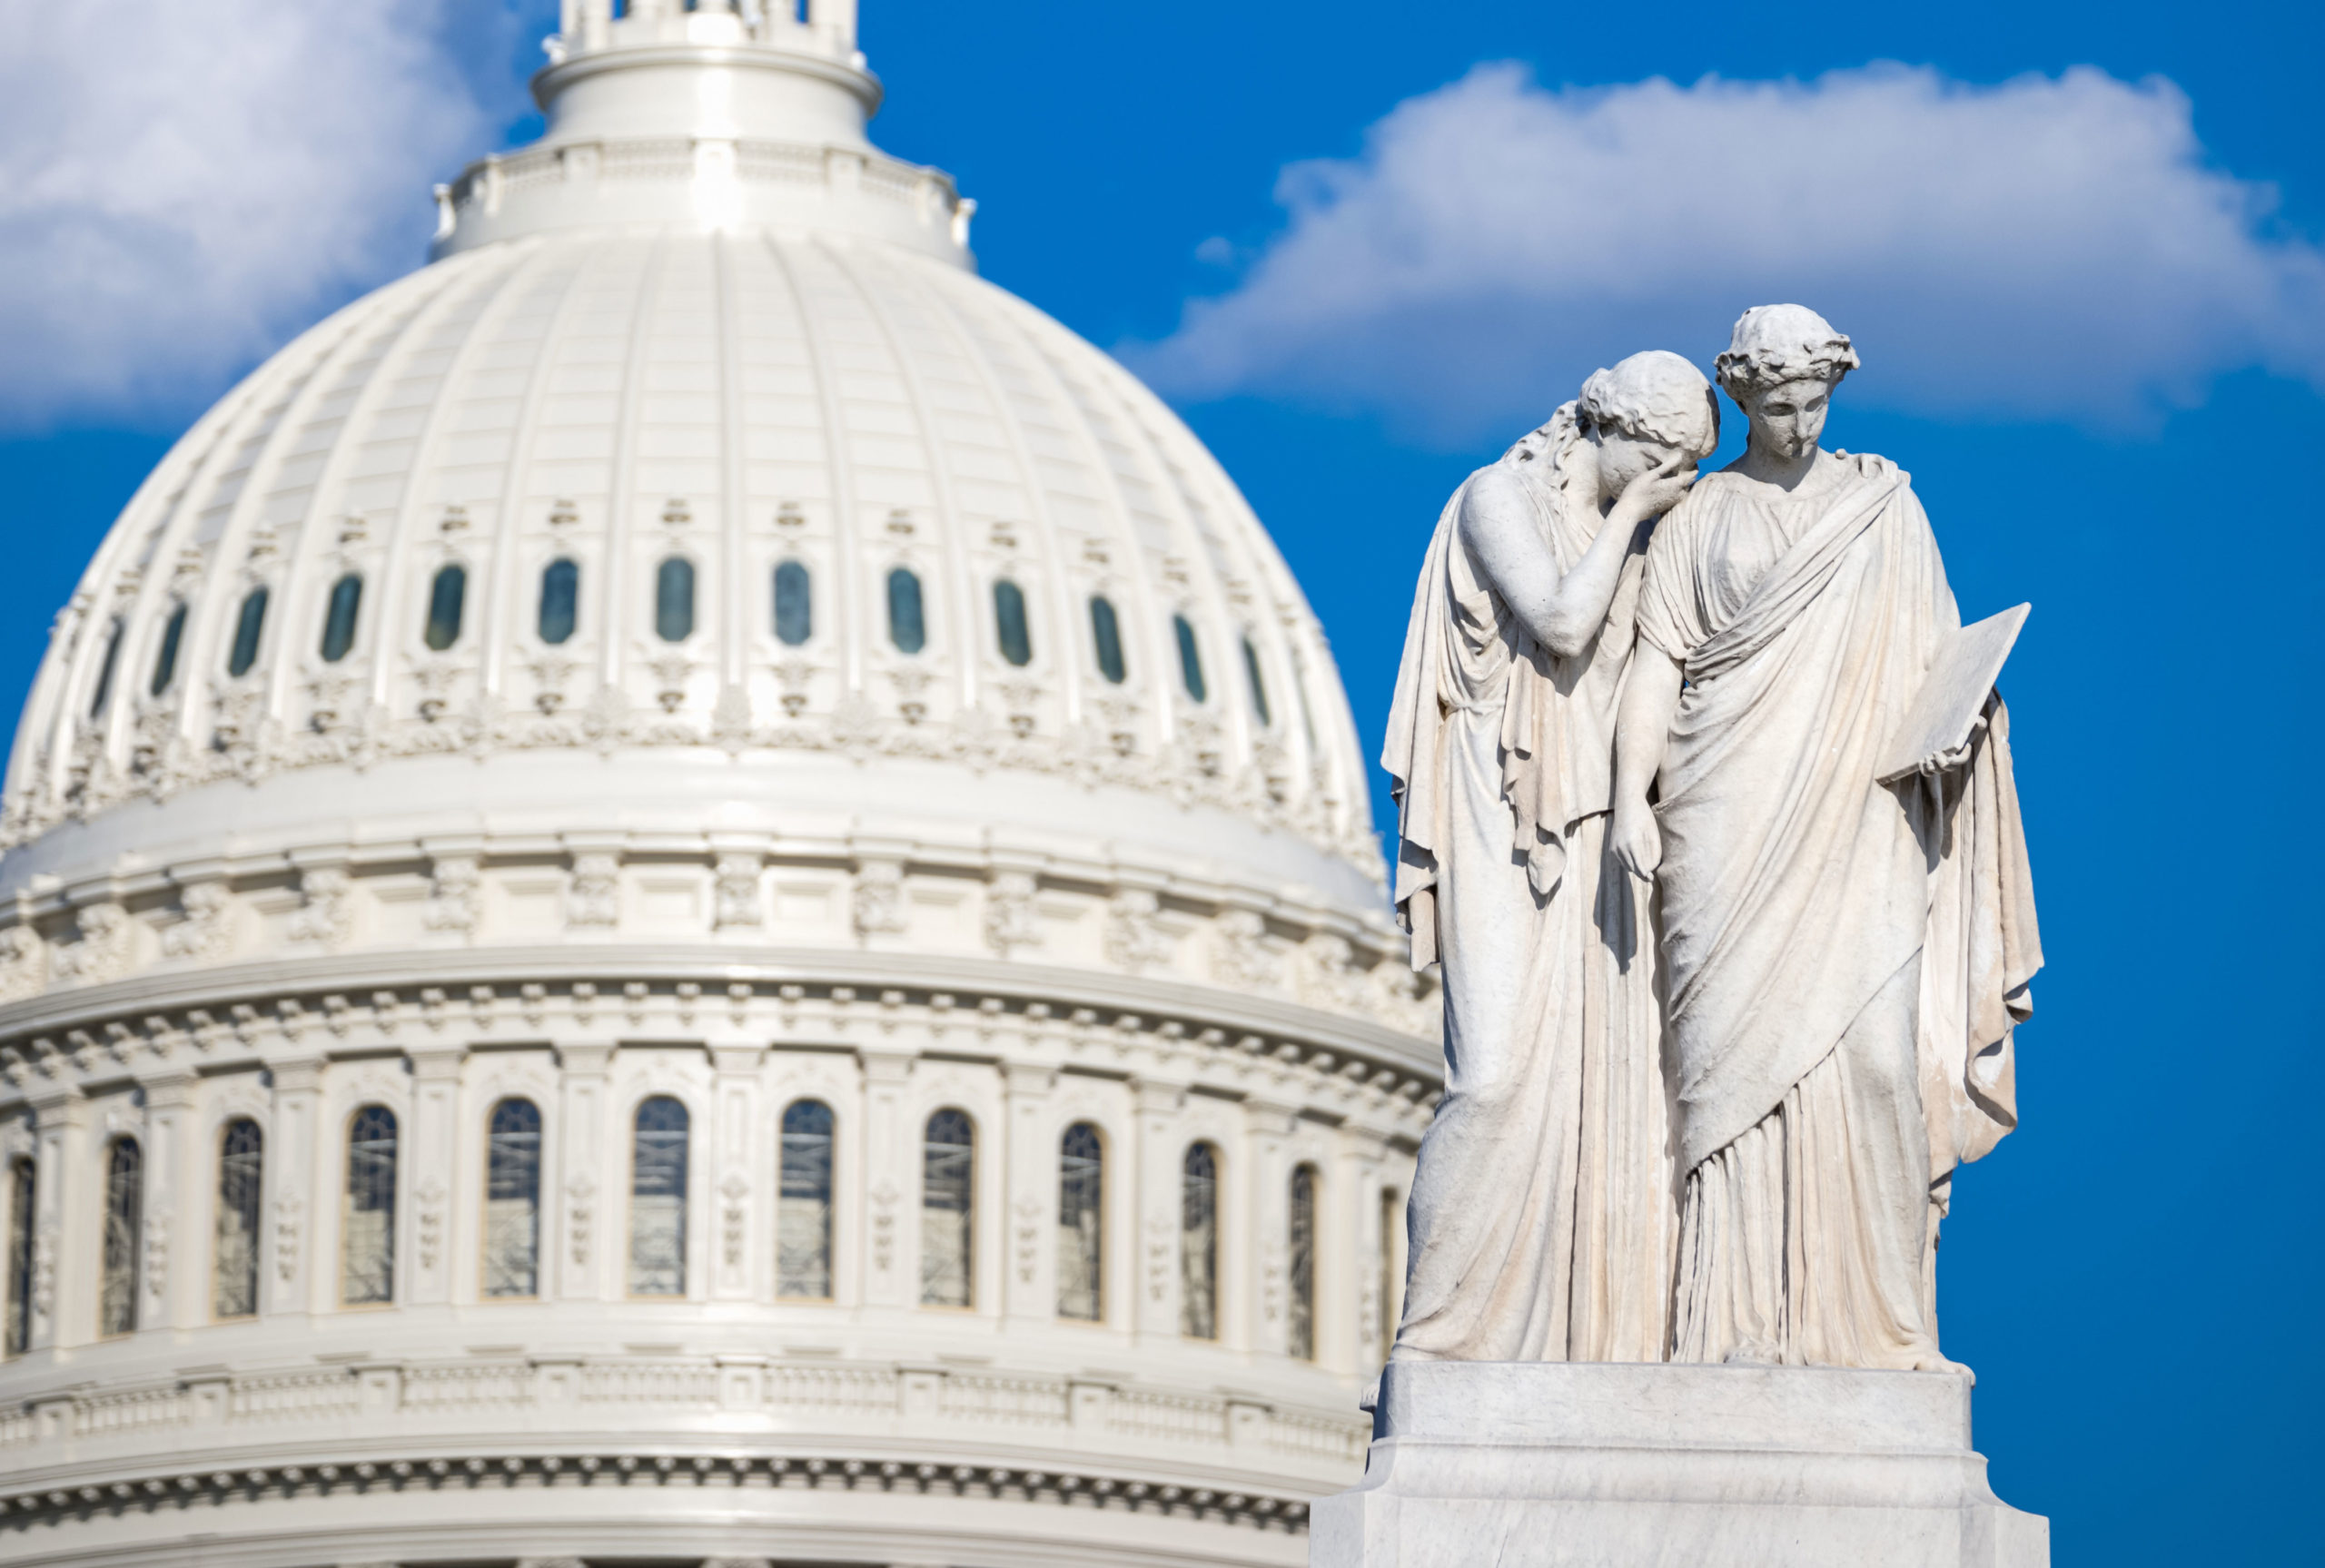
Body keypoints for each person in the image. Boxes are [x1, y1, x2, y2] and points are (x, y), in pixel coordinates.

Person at [1610, 305, 2042, 1370]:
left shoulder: (1885, 508)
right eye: (1774, 406)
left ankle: (1881, 1325)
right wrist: (1627, 797)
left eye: (1813, 403)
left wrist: (1960, 728)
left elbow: (1940, 661)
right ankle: (1729, 1324)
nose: (1797, 423)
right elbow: (1655, 664)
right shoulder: (1701, 517)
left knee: (1876, 1063)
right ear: (1741, 402)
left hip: (1862, 816)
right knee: (1722, 1076)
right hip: (1721, 811)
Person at [1382, 350, 1717, 1364]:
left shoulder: (1652, 546)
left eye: (1690, 466)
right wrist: (1627, 520)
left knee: (1602, 1095)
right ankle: (1435, 1332)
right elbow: (1563, 622)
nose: (1676, 481)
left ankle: (1586, 1332)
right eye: (1661, 456)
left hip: (1598, 828)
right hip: (1499, 807)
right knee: (1489, 1079)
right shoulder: (1498, 498)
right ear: (1603, 427)